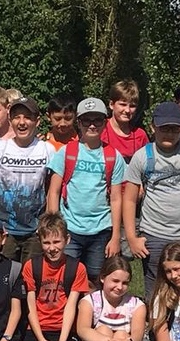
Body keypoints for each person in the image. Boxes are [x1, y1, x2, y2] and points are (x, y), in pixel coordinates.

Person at [123, 101, 180, 290]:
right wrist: (132, 238)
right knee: (156, 291)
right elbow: (129, 200)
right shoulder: (142, 157)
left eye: (174, 129)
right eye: (164, 128)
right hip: (153, 236)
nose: (169, 134)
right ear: (153, 127)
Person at [46, 97, 124, 279]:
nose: (92, 125)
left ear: (105, 123)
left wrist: (115, 236)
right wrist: (53, 228)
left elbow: (116, 198)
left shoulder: (113, 156)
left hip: (101, 230)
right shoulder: (66, 152)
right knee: (65, 276)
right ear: (79, 123)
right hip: (69, 228)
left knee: (96, 278)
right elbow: (53, 192)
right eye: (86, 120)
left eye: (97, 120)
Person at [0, 96, 50, 260]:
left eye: (28, 117)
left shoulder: (47, 150)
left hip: (35, 230)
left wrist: (45, 224)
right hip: (5, 230)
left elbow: (51, 190)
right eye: (17, 117)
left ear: (37, 121)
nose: (22, 122)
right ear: (10, 121)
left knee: (31, 274)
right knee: (4, 272)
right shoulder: (0, 148)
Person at [21, 213, 89, 341]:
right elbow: (30, 307)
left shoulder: (77, 268)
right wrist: (41, 340)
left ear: (67, 240)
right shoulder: (31, 266)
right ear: (40, 242)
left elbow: (71, 306)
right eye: (46, 243)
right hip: (38, 329)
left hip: (64, 329)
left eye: (57, 242)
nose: (52, 248)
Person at [102, 79, 149, 162]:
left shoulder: (140, 136)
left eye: (132, 106)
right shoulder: (100, 130)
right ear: (111, 104)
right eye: (123, 104)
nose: (127, 110)